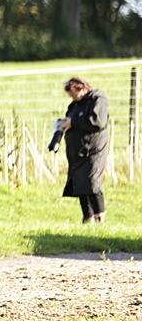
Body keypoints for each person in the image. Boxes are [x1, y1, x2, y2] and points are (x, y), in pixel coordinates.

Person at [58, 77, 110, 223]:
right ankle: (88, 218)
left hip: (94, 150)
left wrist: (73, 122)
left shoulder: (98, 99)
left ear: (82, 88)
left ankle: (100, 218)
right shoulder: (75, 105)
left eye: (74, 93)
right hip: (78, 151)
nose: (73, 98)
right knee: (80, 183)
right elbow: (70, 119)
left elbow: (98, 121)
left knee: (92, 182)